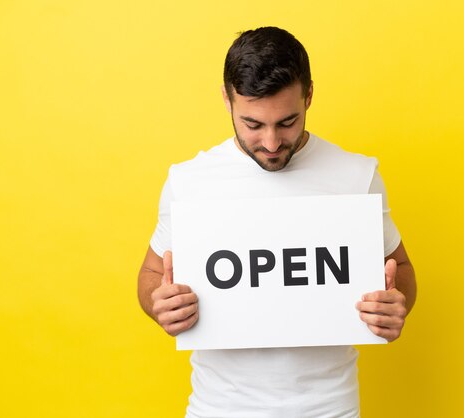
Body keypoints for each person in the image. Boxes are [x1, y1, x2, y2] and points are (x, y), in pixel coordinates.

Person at [138, 26, 416, 418]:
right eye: (253, 124)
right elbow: (152, 272)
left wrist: (393, 302)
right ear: (226, 99)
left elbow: (400, 269)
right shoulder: (189, 182)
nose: (271, 143)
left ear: (309, 96)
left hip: (330, 409)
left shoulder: (357, 176)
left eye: (287, 122)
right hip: (218, 409)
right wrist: (159, 301)